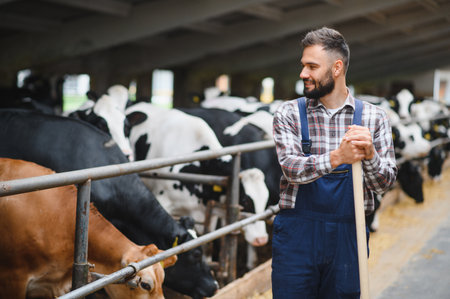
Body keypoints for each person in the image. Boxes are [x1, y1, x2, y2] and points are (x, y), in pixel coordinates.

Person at [271, 27, 398, 299]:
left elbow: (384, 183)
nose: (303, 74)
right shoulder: (288, 113)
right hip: (297, 240)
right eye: (303, 66)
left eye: (312, 66)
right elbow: (291, 168)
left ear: (337, 68)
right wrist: (338, 158)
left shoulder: (375, 118)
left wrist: (370, 156)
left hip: (347, 237)